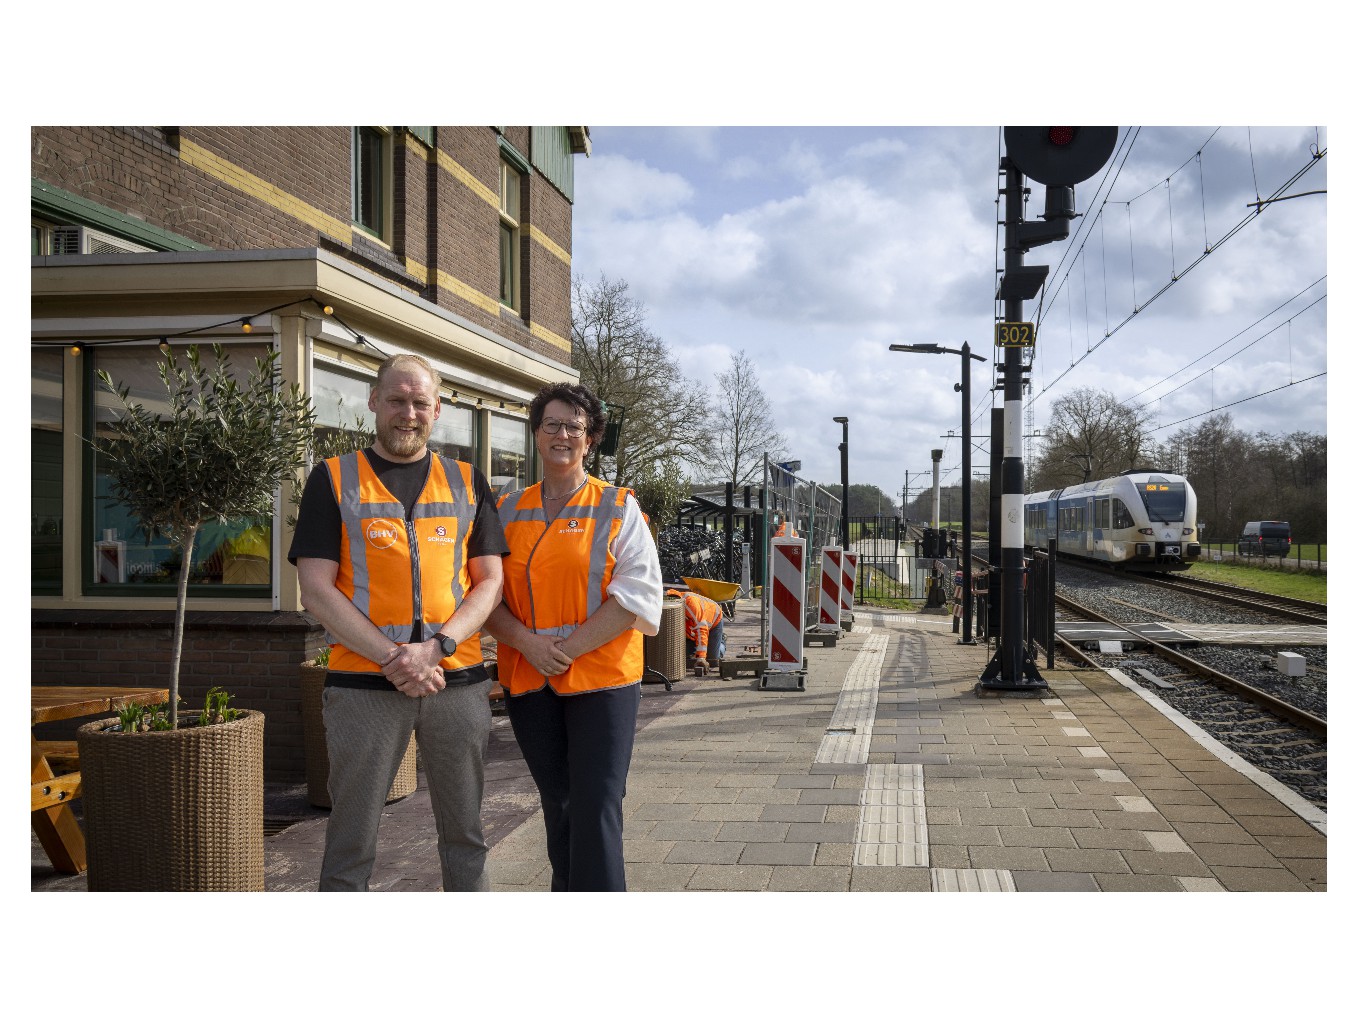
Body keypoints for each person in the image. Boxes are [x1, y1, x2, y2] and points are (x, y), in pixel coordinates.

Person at [290, 353, 507, 892]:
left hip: (455, 680)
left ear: (437, 409)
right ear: (373, 401)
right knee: (351, 838)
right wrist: (395, 657)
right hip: (363, 685)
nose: (408, 413)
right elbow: (315, 589)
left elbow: (489, 582)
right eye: (396, 400)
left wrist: (435, 648)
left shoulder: (467, 481)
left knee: (466, 833)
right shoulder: (332, 478)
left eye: (419, 402)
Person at [484, 381, 661, 892]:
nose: (563, 435)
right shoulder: (505, 509)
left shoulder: (618, 506)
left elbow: (636, 594)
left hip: (602, 681)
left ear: (591, 439)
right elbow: (484, 595)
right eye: (552, 425)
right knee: (558, 803)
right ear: (537, 434)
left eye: (574, 427)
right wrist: (529, 645)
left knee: (597, 804)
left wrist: (562, 651)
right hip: (530, 681)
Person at [665, 588, 726, 668]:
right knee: (684, 655)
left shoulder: (691, 605)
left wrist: (701, 658)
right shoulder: (668, 608)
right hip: (693, 630)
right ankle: (698, 647)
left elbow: (701, 630)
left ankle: (721, 641)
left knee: (712, 660)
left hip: (714, 620)